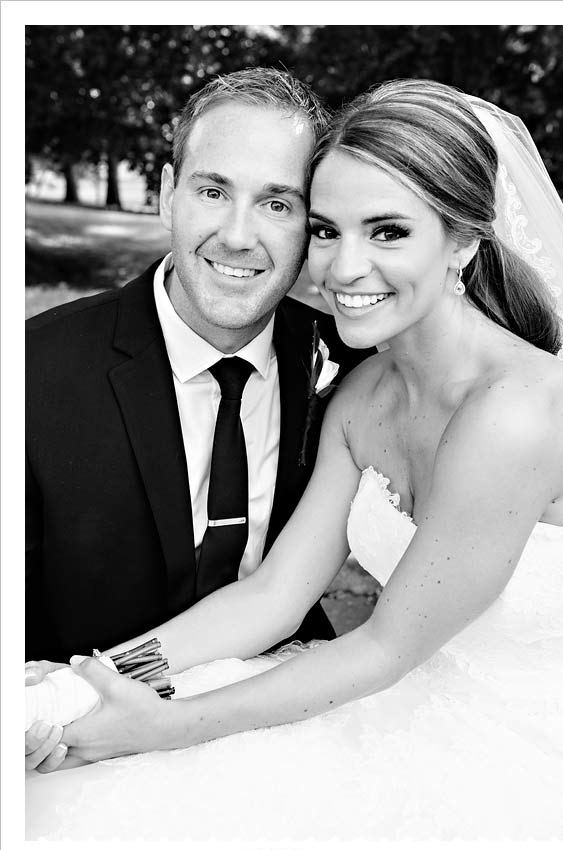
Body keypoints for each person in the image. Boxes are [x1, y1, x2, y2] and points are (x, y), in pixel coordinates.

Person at [26, 80, 563, 840]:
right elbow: (272, 596)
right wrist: (81, 684)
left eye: (387, 233)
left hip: (535, 745)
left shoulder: (516, 411)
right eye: (326, 230)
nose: (346, 268)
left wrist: (158, 727)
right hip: (398, 695)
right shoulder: (366, 392)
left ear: (465, 241)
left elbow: (383, 647)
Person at [25, 67, 371, 667]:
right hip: (76, 727)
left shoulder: (354, 367)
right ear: (166, 195)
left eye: (277, 203)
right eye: (213, 192)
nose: (238, 235)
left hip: (281, 702)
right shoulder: (31, 372)